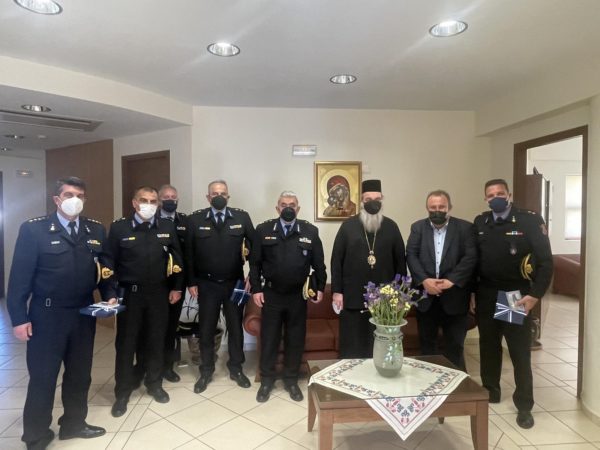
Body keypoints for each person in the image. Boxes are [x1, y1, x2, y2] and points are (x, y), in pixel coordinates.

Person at [7, 176, 111, 449]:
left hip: (84, 314)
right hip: (47, 315)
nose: (75, 199)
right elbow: (19, 279)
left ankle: (74, 424)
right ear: (57, 199)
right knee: (43, 377)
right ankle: (36, 435)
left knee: (80, 374)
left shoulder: (95, 229)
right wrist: (19, 318)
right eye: (68, 195)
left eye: (80, 195)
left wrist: (110, 295)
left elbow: (105, 269)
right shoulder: (34, 230)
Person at [472, 178, 553, 429]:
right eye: (490, 195)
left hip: (513, 295)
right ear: (485, 198)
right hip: (486, 292)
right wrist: (472, 293)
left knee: (518, 351)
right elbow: (475, 261)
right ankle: (491, 390)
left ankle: (524, 405)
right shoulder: (481, 222)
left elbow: (545, 262)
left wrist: (535, 295)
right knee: (488, 346)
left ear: (509, 195)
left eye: (500, 193)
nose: (495, 198)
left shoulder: (528, 220)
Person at [107, 186, 184, 418]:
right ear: (134, 203)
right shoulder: (119, 228)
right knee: (126, 344)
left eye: (152, 201)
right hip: (130, 295)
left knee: (156, 340)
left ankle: (154, 383)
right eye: (144, 200)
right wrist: (110, 292)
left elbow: (177, 259)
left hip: (159, 294)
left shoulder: (166, 227)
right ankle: (122, 392)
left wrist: (177, 287)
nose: (149, 205)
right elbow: (108, 262)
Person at [250, 191, 326, 403]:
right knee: (269, 338)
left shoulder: (310, 231)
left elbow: (319, 264)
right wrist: (256, 289)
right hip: (271, 294)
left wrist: (320, 287)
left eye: (292, 204)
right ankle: (267, 380)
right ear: (277, 208)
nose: (288, 208)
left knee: (295, 339)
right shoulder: (263, 230)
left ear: (298, 208)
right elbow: (254, 263)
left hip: (297, 296)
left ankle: (291, 380)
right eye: (284, 204)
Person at [185, 179, 255, 393]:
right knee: (206, 329)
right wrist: (191, 281)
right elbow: (188, 254)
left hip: (235, 283)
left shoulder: (241, 218)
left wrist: (252, 276)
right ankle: (206, 370)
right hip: (206, 284)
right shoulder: (195, 219)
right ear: (208, 197)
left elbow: (256, 249)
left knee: (235, 328)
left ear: (228, 196)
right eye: (215, 193)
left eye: (223, 193)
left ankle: (236, 368)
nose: (219, 196)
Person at [331, 179, 407, 358]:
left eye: (377, 199)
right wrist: (337, 292)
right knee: (352, 345)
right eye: (368, 199)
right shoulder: (348, 226)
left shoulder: (391, 226)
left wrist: (400, 294)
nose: (373, 203)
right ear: (361, 201)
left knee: (379, 346)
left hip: (385, 300)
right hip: (352, 296)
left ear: (382, 200)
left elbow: (400, 262)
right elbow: (336, 261)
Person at [406, 190, 477, 370]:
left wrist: (452, 280)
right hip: (426, 298)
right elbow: (411, 255)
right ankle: (429, 381)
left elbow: (470, 257)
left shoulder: (465, 228)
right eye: (433, 208)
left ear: (449, 208)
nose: (437, 211)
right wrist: (424, 280)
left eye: (441, 207)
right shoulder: (417, 227)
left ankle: (457, 384)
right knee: (427, 347)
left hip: (455, 297)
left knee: (455, 347)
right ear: (427, 208)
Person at [156, 184, 188, 382]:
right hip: (156, 282)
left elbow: (188, 254)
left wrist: (183, 284)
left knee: (170, 326)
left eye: (173, 197)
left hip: (177, 282)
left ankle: (167, 366)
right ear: (159, 200)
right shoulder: (151, 220)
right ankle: (149, 365)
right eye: (166, 197)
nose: (170, 200)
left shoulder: (185, 221)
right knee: (152, 326)